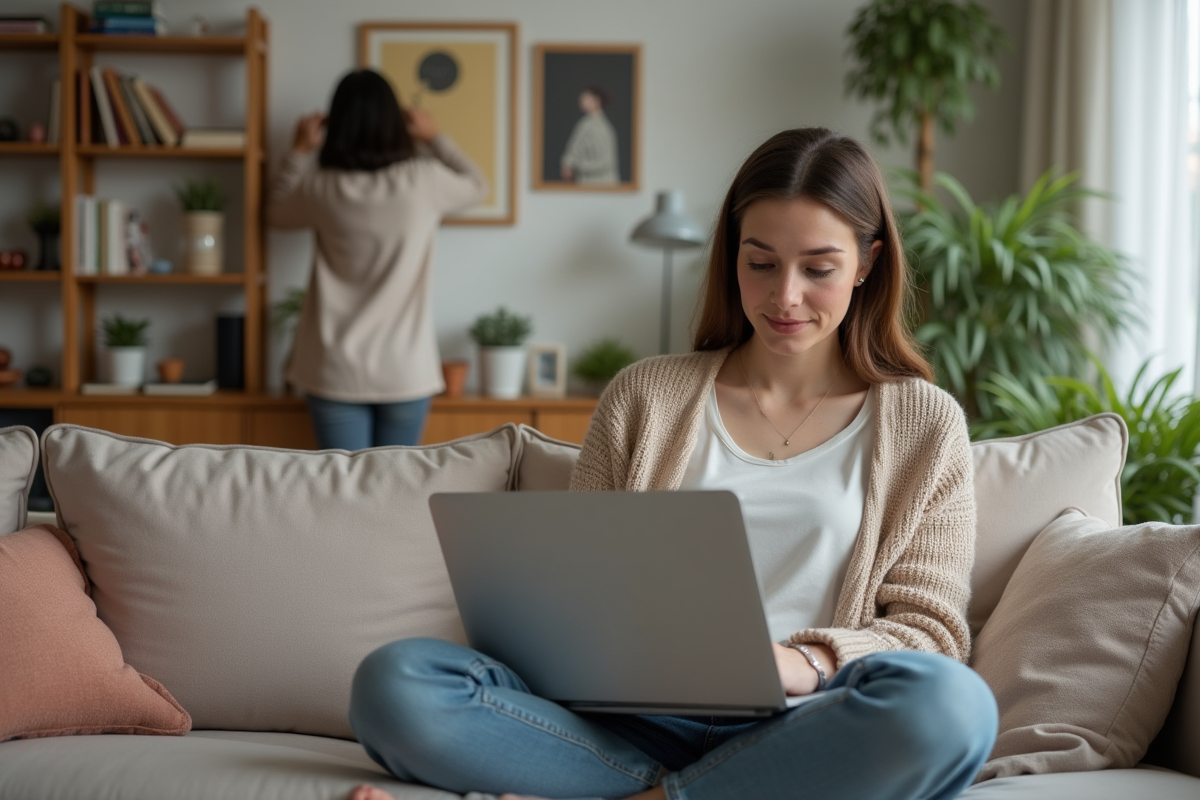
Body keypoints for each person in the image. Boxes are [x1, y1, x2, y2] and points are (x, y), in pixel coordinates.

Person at [346, 127, 998, 800]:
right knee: (396, 683)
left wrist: (805, 661)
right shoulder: (644, 395)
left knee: (952, 708)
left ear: (867, 262)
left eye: (819, 268)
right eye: (762, 262)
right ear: (731, 257)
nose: (785, 298)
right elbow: (575, 590)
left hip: (807, 725)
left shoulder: (925, 422)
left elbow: (931, 633)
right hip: (628, 726)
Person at [267, 69, 488, 450]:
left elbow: (273, 213)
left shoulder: (320, 187)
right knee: (393, 493)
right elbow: (478, 186)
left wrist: (299, 151)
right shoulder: (425, 180)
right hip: (405, 371)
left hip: (333, 370)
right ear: (395, 122)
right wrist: (435, 138)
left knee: (344, 495)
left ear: (337, 123)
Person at [559, 85, 620, 184]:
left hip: (601, 184)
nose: (581, 101)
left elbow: (606, 161)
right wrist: (568, 163)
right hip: (585, 182)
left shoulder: (602, 127)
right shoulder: (585, 124)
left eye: (586, 98)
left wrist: (576, 166)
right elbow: (574, 148)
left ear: (597, 100)